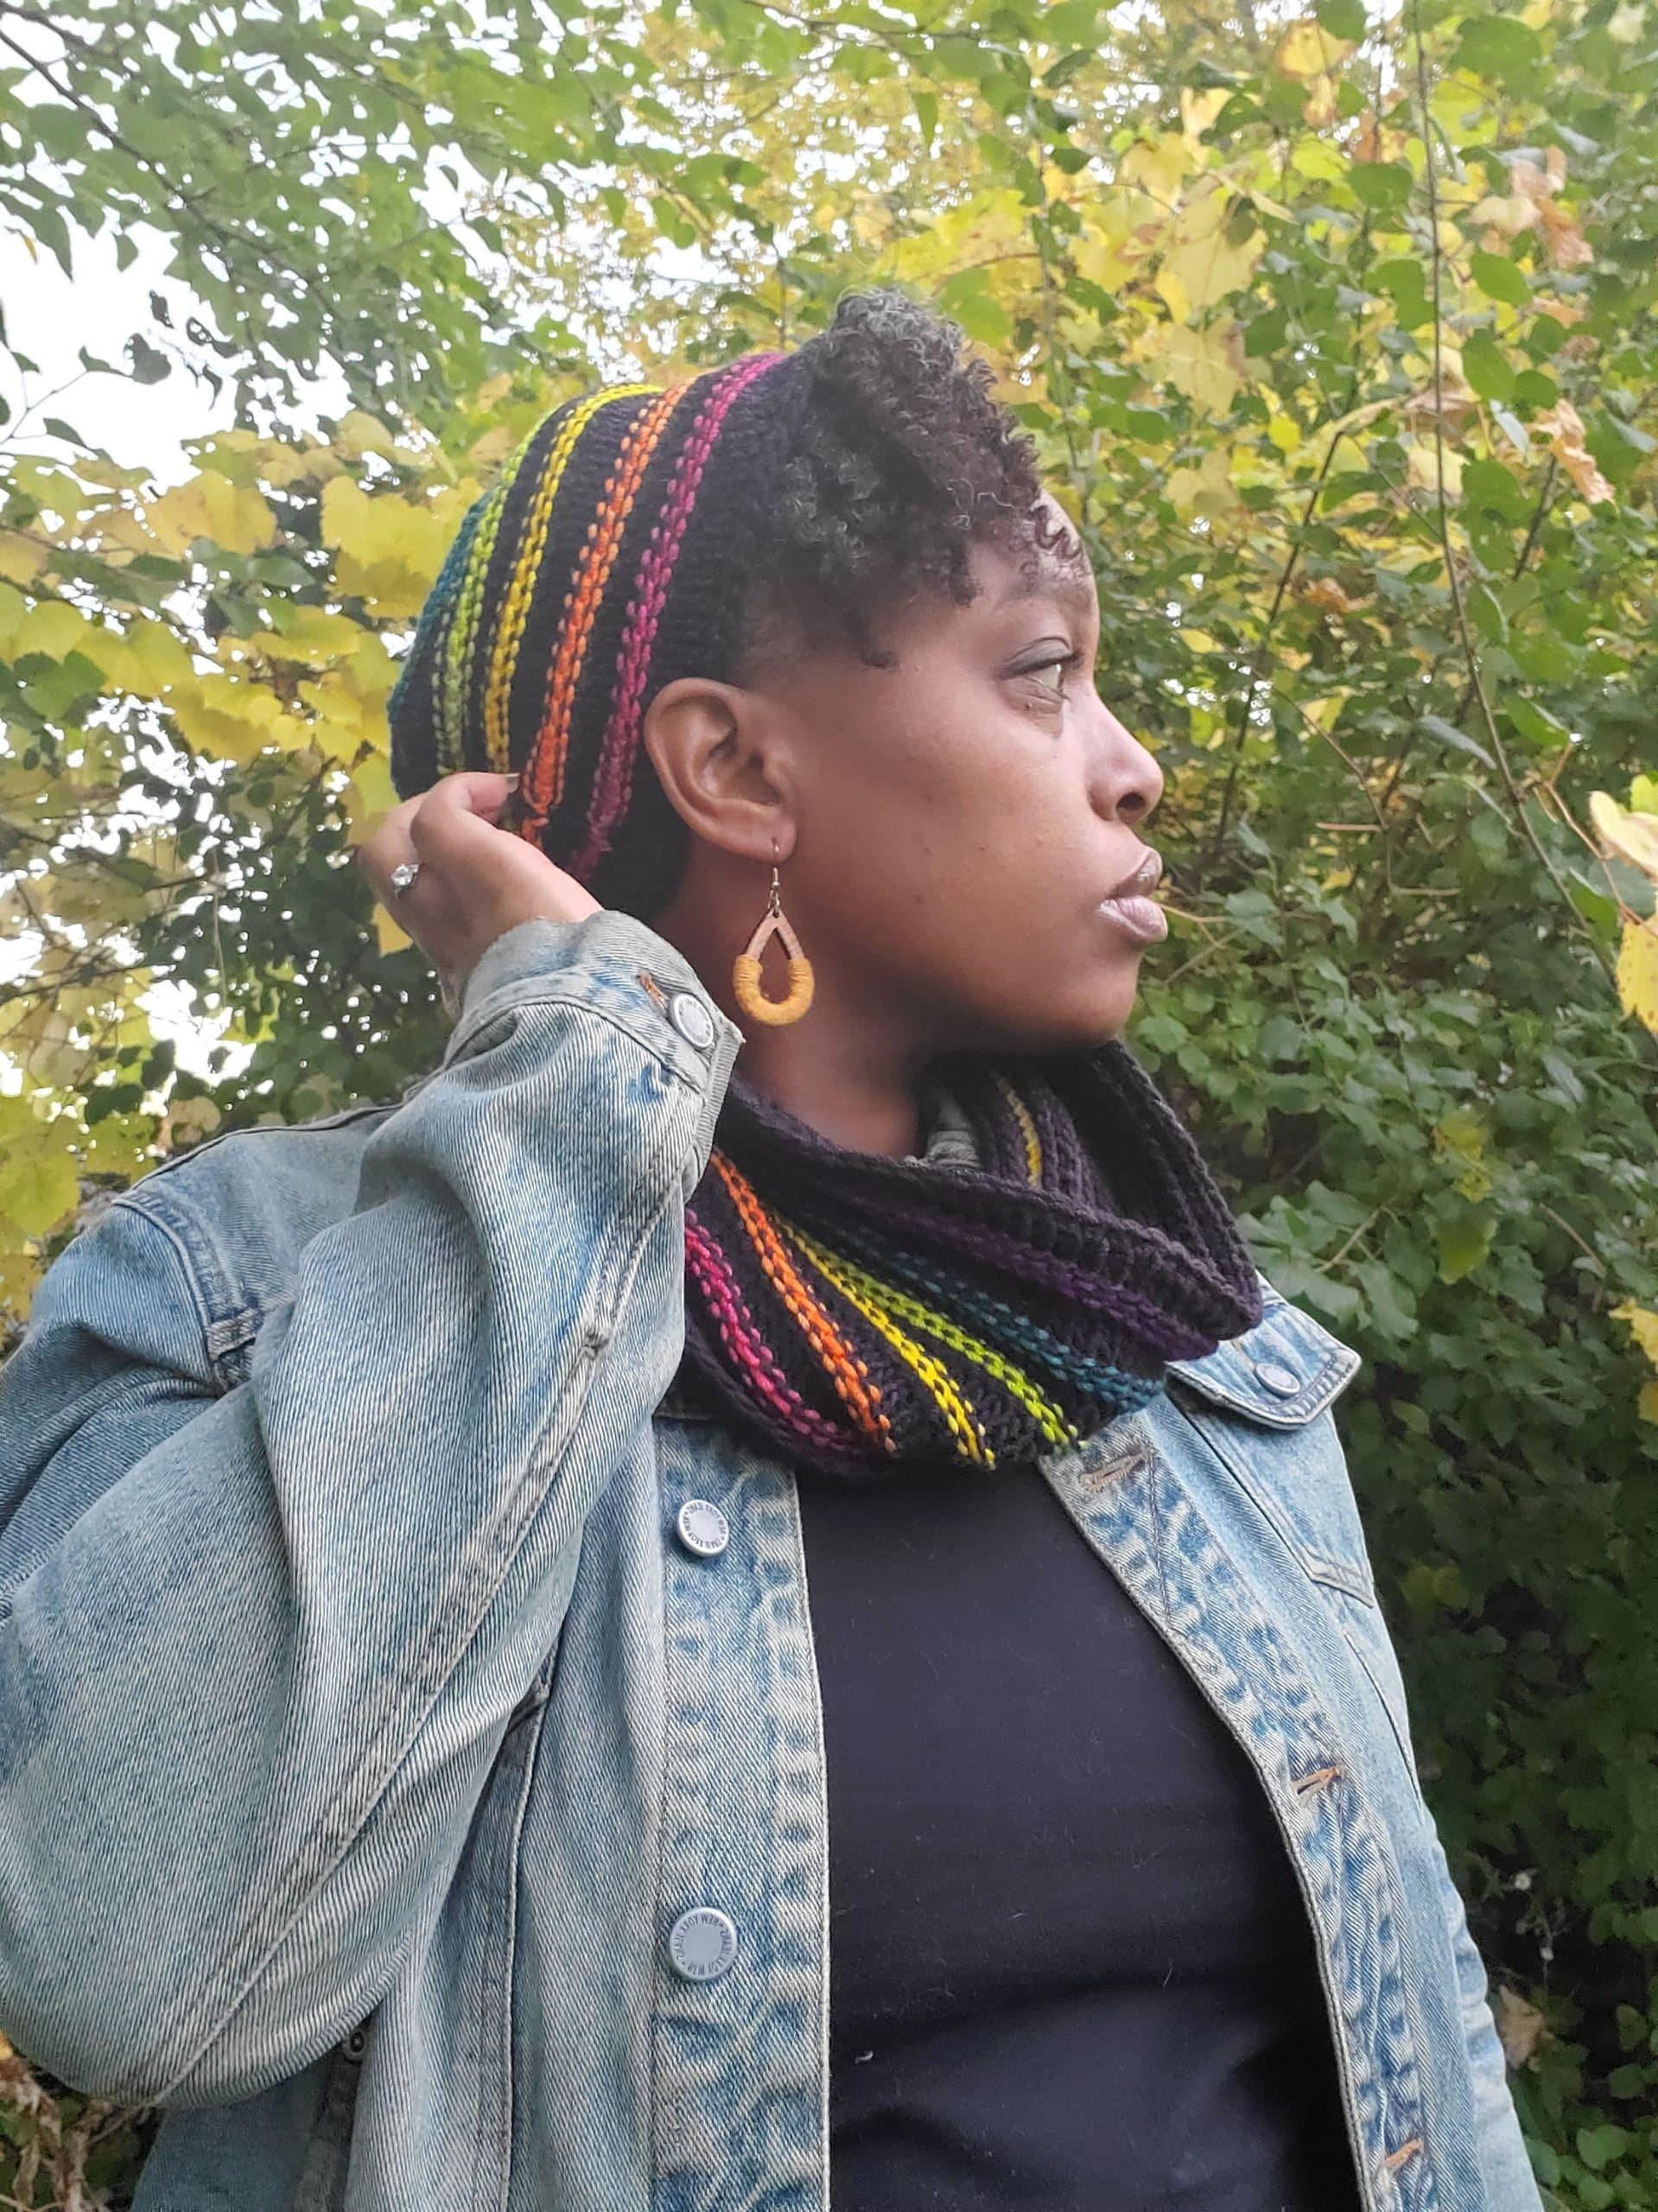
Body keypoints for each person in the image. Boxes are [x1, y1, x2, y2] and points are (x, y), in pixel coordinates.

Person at [0, 289, 1539, 2211]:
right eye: (1043, 674)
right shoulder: (249, 1284)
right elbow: (127, 1974)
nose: (1132, 765)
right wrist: (576, 1069)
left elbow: (1424, 2046)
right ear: (734, 771)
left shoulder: (1166, 1320)